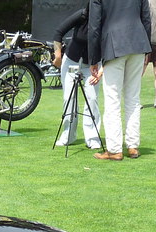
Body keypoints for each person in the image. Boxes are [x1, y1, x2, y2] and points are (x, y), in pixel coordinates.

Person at [88, 0, 151, 161]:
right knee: (133, 98)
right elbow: (146, 19)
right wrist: (146, 48)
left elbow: (94, 26)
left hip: (114, 43)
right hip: (138, 42)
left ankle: (115, 149)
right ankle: (133, 146)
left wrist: (93, 59)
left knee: (112, 99)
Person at [52, 6, 103, 150]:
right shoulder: (82, 14)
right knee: (69, 99)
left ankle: (92, 138)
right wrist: (57, 55)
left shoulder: (107, 20)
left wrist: (101, 71)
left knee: (92, 99)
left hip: (93, 65)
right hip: (71, 61)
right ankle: (68, 135)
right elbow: (58, 32)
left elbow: (110, 47)